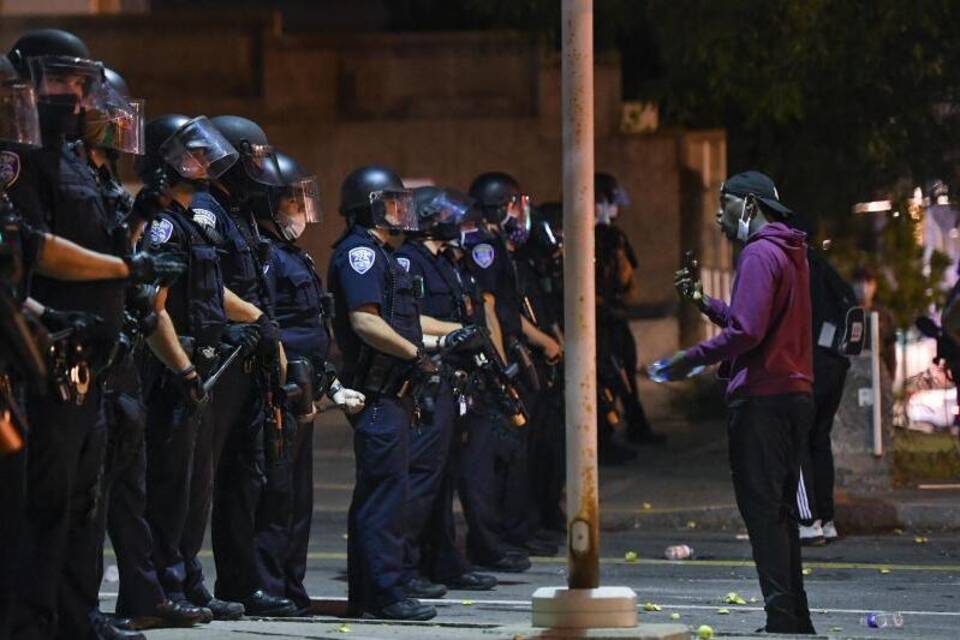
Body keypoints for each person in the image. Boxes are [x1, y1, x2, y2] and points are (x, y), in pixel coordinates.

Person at [2, 29, 176, 640]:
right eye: (62, 81)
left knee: (85, 499)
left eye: (82, 83)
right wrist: (125, 268)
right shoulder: (18, 158)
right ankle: (32, 621)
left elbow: (98, 240)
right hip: (46, 356)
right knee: (44, 503)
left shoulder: (75, 161)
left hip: (93, 359)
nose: (76, 96)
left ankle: (79, 616)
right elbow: (37, 249)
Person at [666, 170, 816, 635]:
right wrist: (704, 303)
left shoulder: (757, 253)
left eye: (723, 204)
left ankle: (781, 619)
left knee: (763, 514)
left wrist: (688, 359)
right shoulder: (791, 252)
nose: (717, 214)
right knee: (781, 513)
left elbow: (747, 332)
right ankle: (794, 618)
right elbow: (752, 321)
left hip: (761, 400)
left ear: (748, 206)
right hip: (794, 396)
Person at [139, 114, 254, 622]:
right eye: (192, 154)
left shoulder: (190, 222)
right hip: (174, 371)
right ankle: (165, 586)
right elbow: (153, 305)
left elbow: (207, 292)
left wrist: (252, 319)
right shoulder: (165, 224)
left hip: (203, 366)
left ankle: (188, 579)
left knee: (195, 486)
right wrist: (183, 371)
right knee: (168, 487)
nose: (203, 162)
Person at [253, 150, 365, 613]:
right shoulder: (266, 257)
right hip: (281, 391)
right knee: (276, 498)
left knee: (300, 501)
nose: (301, 210)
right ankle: (268, 588)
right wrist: (285, 384)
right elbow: (271, 325)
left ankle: (292, 589)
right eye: (292, 201)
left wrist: (329, 382)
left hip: (306, 389)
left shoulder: (293, 254)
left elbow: (314, 327)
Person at [327, 165, 436, 620]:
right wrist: (416, 354)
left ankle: (373, 592)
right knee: (383, 498)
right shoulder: (361, 254)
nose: (400, 212)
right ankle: (384, 594)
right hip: (377, 395)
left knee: (388, 494)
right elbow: (365, 321)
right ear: (369, 207)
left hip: (395, 393)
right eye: (391, 203)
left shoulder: (383, 253)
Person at [206, 115, 297, 616]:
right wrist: (261, 320)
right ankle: (188, 582)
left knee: (245, 477)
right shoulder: (206, 209)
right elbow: (208, 287)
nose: (259, 168)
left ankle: (240, 584)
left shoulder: (237, 213)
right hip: (220, 360)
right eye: (253, 157)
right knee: (203, 481)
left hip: (249, 363)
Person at [395, 186, 499, 594]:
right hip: (428, 377)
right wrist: (460, 332)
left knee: (445, 477)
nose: (458, 224)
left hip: (456, 378)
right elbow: (410, 319)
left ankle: (443, 561)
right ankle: (406, 565)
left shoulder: (446, 261)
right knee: (422, 477)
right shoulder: (409, 259)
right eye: (448, 216)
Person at [465, 171, 559, 565]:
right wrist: (503, 365)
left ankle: (518, 530)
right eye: (513, 206)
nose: (520, 215)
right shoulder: (484, 247)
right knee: (493, 461)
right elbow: (491, 310)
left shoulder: (502, 248)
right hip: (497, 366)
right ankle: (495, 539)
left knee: (517, 455)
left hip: (511, 361)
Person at [789, 214, 860, 546]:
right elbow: (851, 304)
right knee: (819, 440)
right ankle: (827, 519)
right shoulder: (825, 269)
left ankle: (808, 521)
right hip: (835, 363)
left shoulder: (797, 269)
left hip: (810, 365)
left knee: (798, 440)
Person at [594, 172, 664, 458]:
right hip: (599, 319)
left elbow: (627, 277)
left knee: (623, 373)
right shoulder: (588, 237)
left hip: (613, 316)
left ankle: (634, 425)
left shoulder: (612, 237)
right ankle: (604, 437)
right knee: (606, 376)